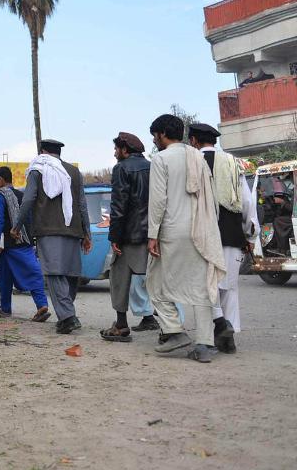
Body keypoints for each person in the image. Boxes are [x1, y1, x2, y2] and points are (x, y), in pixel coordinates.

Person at [146, 114, 226, 363]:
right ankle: (205, 344)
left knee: (154, 282)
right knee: (202, 287)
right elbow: (212, 198)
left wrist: (152, 234)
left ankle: (174, 331)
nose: (154, 141)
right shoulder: (198, 157)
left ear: (161, 134)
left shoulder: (160, 159)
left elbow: (158, 201)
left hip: (172, 231)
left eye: (155, 136)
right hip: (202, 229)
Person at [188, 123, 259, 353]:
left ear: (193, 141)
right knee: (229, 288)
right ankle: (229, 340)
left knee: (206, 287)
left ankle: (217, 329)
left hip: (201, 236)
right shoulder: (232, 163)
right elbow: (246, 202)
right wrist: (250, 235)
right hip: (232, 235)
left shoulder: (192, 162)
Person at [12, 141, 90, 333]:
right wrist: (87, 233)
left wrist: (17, 225)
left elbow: (28, 199)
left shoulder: (37, 169)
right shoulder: (74, 172)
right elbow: (82, 204)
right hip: (73, 230)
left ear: (42, 152)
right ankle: (66, 314)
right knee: (71, 274)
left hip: (48, 230)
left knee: (55, 274)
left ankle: (68, 317)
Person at [102, 132, 153, 342]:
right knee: (154, 279)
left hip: (130, 235)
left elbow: (119, 205)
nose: (115, 153)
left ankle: (121, 325)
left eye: (116, 149)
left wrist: (114, 237)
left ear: (124, 149)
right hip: (152, 234)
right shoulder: (152, 166)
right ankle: (159, 322)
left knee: (119, 278)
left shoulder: (121, 168)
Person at [0, 167, 49, 319]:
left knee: (30, 273)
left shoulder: (0, 196)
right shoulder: (23, 195)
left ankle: (40, 305)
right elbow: (30, 219)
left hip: (8, 244)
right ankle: (8, 308)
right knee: (7, 276)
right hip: (25, 241)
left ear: (1, 179)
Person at [265, 192, 294, 256]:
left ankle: (282, 248)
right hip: (291, 217)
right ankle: (272, 244)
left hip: (294, 218)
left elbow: (293, 208)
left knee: (277, 221)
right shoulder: (294, 192)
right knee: (276, 219)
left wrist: (282, 201)